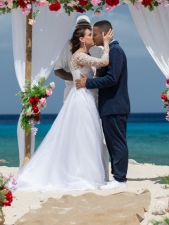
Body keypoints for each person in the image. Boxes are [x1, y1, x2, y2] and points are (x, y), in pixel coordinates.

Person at [17, 25, 113, 191]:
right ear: (82, 39)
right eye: (90, 35)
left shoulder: (84, 55)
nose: (92, 37)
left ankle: (86, 173)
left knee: (86, 136)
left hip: (85, 97)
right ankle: (81, 175)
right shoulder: (80, 56)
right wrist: (106, 43)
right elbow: (105, 61)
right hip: (82, 99)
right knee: (84, 136)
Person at [74, 20, 130, 190]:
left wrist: (88, 83)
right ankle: (117, 177)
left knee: (117, 142)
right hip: (109, 106)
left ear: (105, 34)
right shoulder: (110, 51)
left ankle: (120, 179)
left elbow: (112, 78)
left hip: (115, 105)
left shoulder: (115, 51)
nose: (94, 37)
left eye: (95, 33)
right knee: (113, 142)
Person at [54, 15, 103, 101]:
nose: (84, 29)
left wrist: (90, 79)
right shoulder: (67, 46)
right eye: (81, 27)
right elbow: (57, 70)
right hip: (72, 90)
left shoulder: (98, 47)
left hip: (93, 90)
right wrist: (76, 79)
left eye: (86, 27)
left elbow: (103, 69)